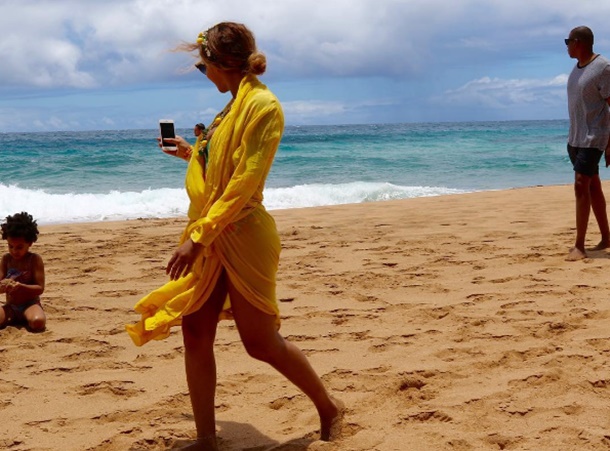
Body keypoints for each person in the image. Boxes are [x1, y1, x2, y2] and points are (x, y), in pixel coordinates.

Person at [126, 22, 341, 450]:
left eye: (202, 67)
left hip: (242, 235)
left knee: (259, 343)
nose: (203, 74)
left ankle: (329, 407)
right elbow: (223, 168)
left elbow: (244, 183)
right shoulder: (230, 107)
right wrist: (192, 153)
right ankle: (206, 438)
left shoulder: (263, 107)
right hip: (212, 234)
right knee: (194, 331)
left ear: (220, 63)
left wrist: (198, 238)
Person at [565, 26, 610, 261]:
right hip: (575, 138)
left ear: (578, 42)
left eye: (568, 42)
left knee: (580, 184)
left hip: (595, 136)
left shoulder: (603, 68)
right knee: (593, 186)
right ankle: (607, 238)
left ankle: (579, 246)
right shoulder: (577, 68)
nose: (566, 47)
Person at [0, 212, 46, 331]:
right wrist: (3, 286)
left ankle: (29, 316)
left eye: (19, 247)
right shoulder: (6, 259)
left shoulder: (34, 260)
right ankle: (12, 317)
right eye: (10, 246)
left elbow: (40, 288)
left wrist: (21, 287)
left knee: (38, 322)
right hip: (11, 306)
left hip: (29, 305)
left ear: (29, 243)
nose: (14, 251)